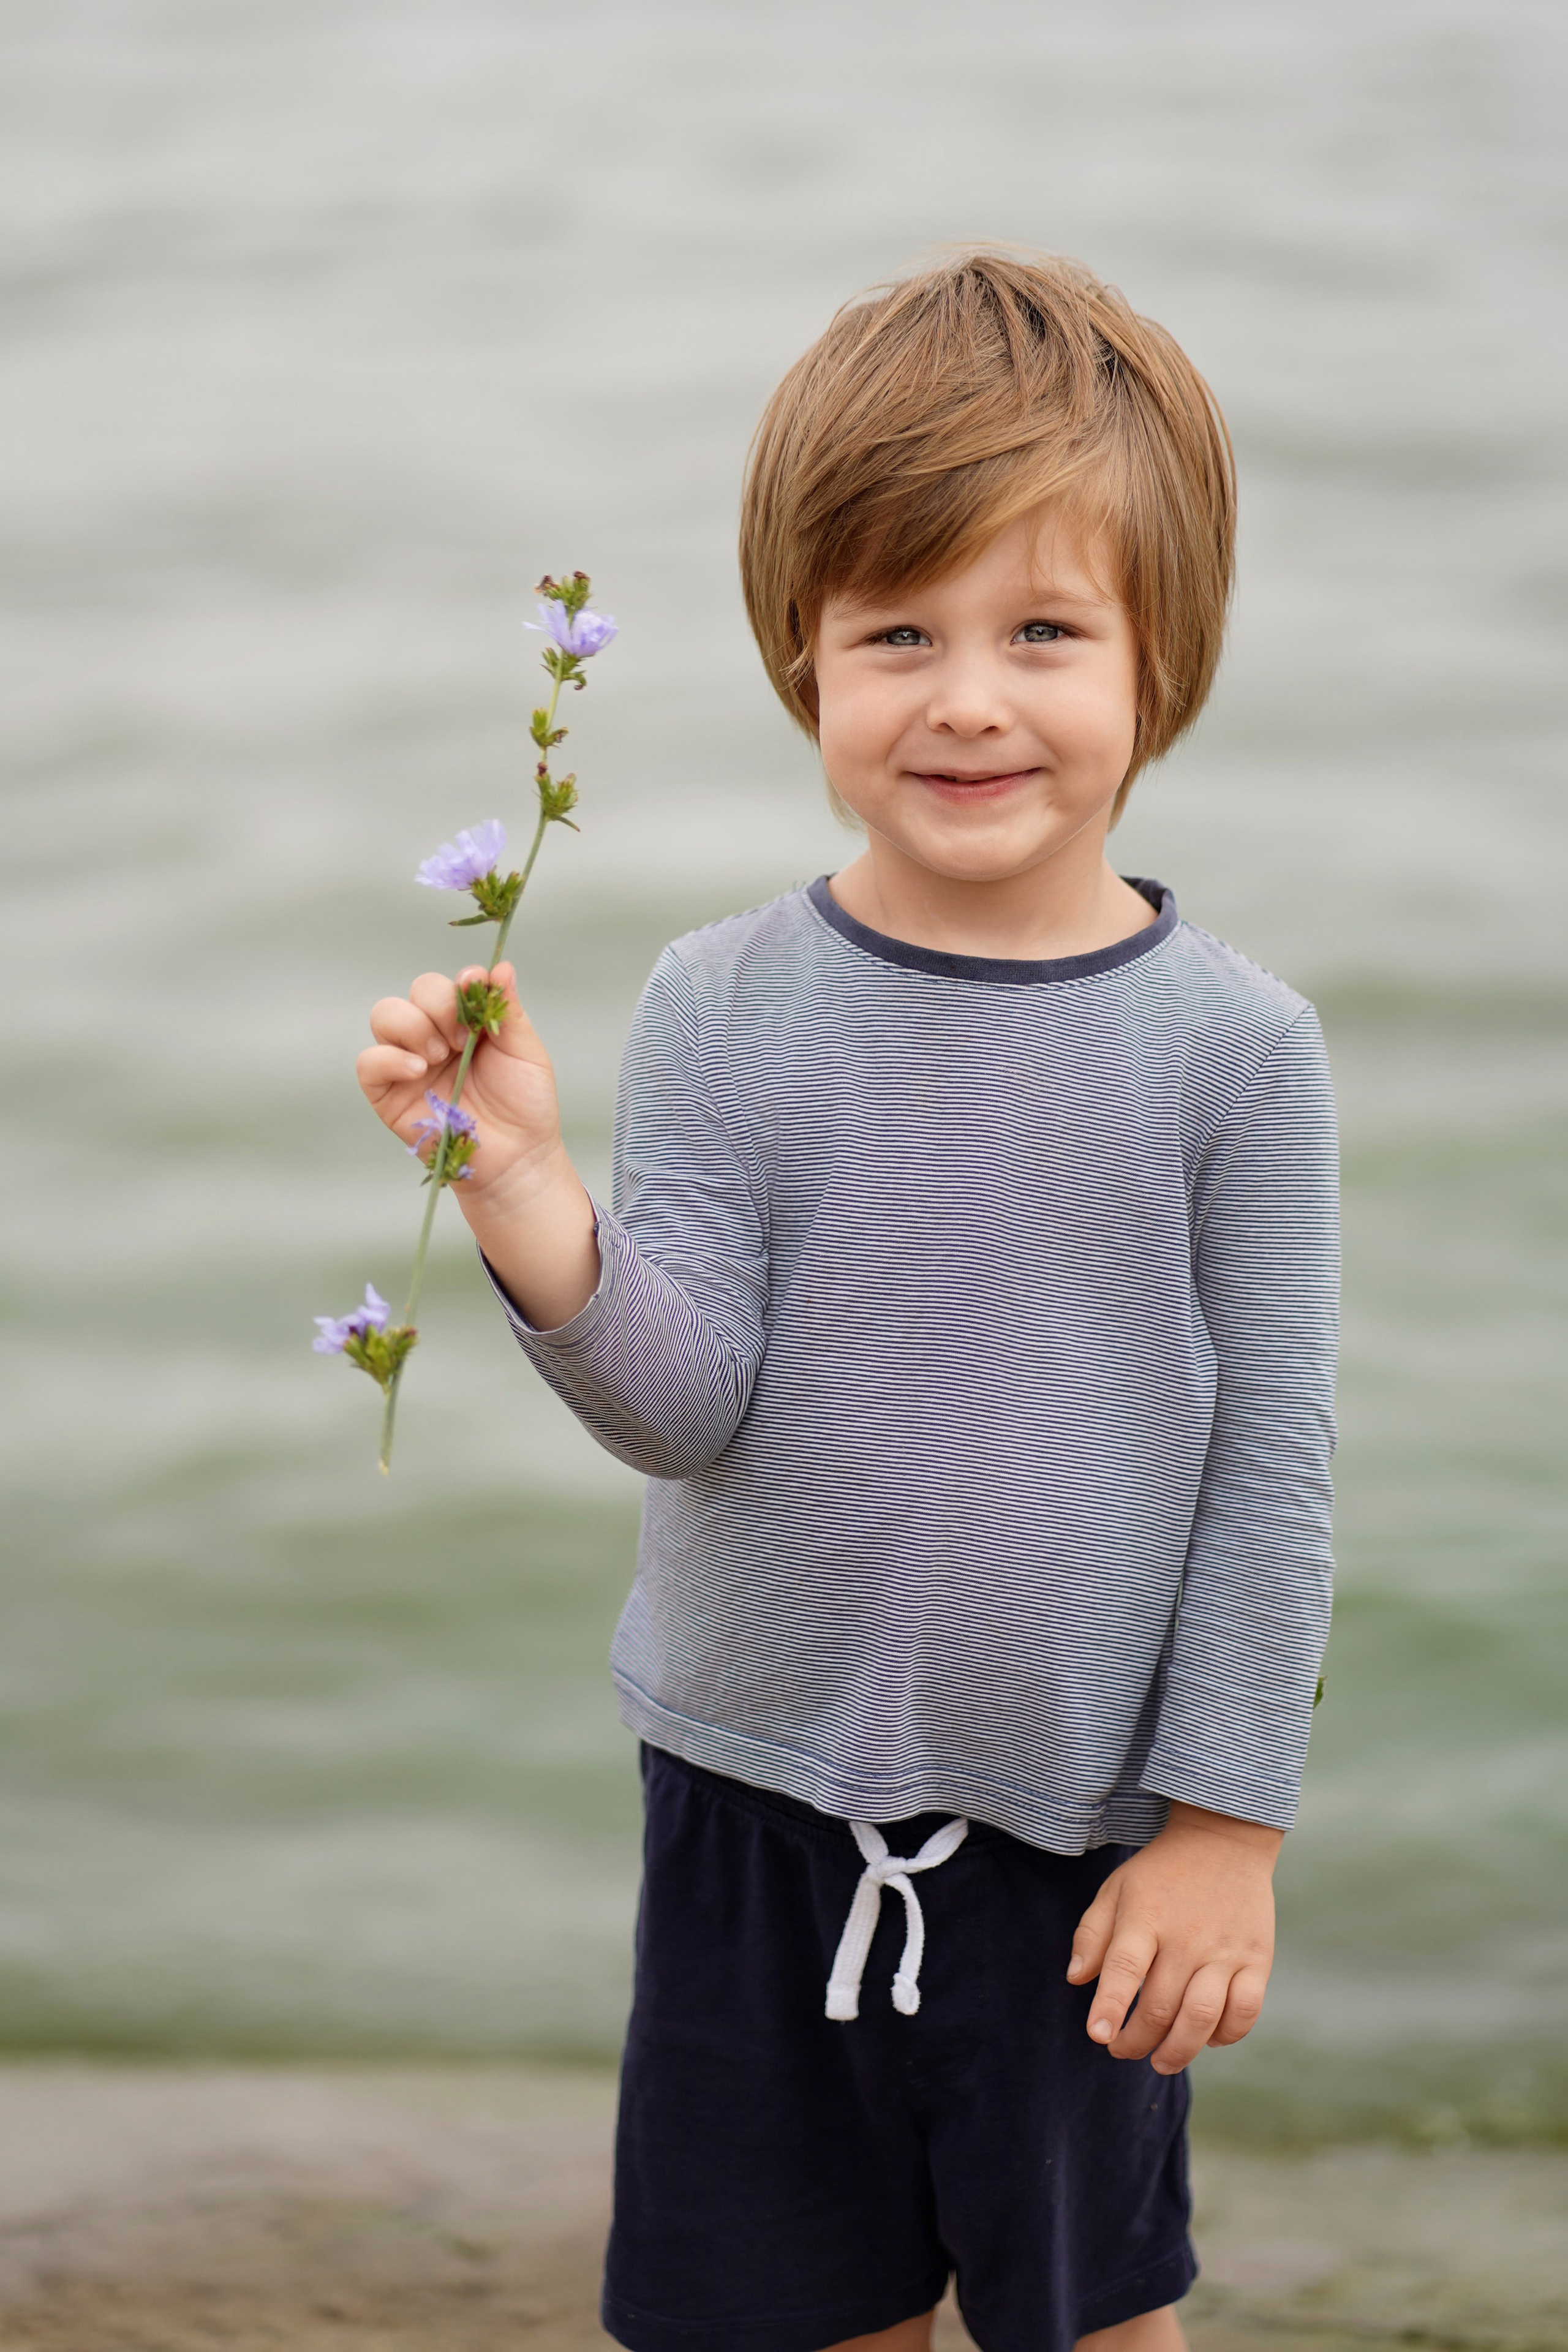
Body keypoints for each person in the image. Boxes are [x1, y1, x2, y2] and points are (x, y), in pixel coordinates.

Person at [356, 251, 1338, 2352]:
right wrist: (527, 1190)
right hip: (748, 1804)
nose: (967, 696)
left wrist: (1225, 1831)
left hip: (1080, 1835)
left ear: (1164, 669)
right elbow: (688, 1404)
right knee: (778, 2312)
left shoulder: (1237, 1052)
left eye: (1044, 633)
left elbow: (1274, 1468)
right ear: (802, 661)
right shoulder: (725, 1000)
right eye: (898, 631)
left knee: (1091, 2314)